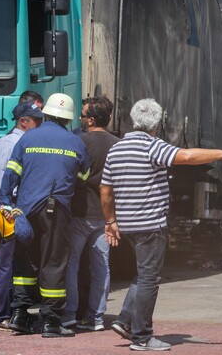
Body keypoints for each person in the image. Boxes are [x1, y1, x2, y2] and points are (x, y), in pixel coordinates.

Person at [100, 98, 222, 351]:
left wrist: (110, 221)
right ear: (157, 124)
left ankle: (125, 320)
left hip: (128, 224)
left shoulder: (117, 148)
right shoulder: (152, 146)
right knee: (149, 278)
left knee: (144, 273)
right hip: (150, 224)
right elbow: (187, 156)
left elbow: (105, 189)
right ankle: (142, 337)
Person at [0, 93, 91, 338]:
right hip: (57, 211)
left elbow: (10, 174)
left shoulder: (28, 138)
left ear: (46, 113)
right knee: (54, 262)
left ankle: (19, 316)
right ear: (68, 119)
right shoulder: (76, 143)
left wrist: (7, 204)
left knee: (25, 261)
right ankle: (51, 321)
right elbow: (82, 179)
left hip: (25, 210)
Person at [0, 101, 44, 330]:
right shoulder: (25, 143)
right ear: (23, 122)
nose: (39, 125)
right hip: (12, 208)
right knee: (13, 265)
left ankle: (8, 312)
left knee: (2, 264)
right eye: (36, 121)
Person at [62, 96, 120, 331]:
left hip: (79, 212)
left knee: (71, 264)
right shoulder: (118, 144)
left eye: (83, 115)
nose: (80, 118)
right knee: (101, 266)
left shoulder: (79, 143)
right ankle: (96, 317)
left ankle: (69, 314)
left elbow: (71, 177)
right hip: (106, 217)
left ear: (91, 119)